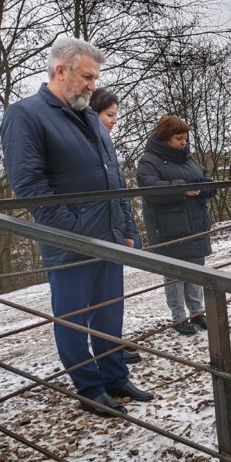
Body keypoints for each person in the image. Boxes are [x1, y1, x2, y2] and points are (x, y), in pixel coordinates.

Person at [0, 36, 154, 416]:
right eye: (87, 76)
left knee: (109, 313)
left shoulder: (89, 116)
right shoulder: (26, 115)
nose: (92, 85)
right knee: (72, 319)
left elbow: (113, 177)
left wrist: (126, 227)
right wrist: (74, 230)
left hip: (109, 237)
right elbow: (31, 187)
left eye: (95, 78)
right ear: (61, 69)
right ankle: (89, 387)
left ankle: (115, 377)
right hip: (70, 243)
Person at [136, 115, 215, 336]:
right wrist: (182, 189)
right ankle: (179, 317)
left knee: (196, 269)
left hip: (195, 221)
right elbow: (149, 186)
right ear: (165, 138)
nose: (183, 142)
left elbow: (204, 176)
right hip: (168, 226)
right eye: (178, 138)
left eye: (185, 138)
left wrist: (205, 187)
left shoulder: (188, 157)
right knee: (175, 274)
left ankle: (197, 312)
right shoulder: (148, 161)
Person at [89, 88, 141, 364]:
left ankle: (111, 347)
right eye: (109, 115)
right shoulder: (89, 150)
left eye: (115, 115)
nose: (114, 121)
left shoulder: (108, 148)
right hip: (92, 233)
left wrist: (128, 231)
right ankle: (101, 351)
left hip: (114, 232)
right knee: (96, 300)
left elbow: (120, 194)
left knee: (111, 299)